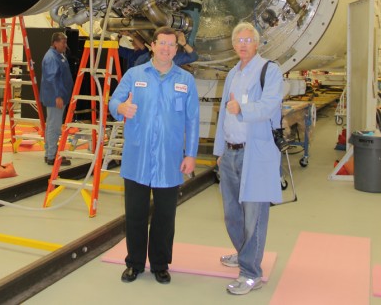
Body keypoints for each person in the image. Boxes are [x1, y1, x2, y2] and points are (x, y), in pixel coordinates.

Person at [109, 26, 199, 285]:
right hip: (137, 157)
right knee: (135, 214)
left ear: (176, 49)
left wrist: (190, 154)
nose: (166, 49)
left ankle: (160, 264)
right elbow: (114, 102)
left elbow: (193, 120)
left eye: (171, 45)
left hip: (169, 160)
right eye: (162, 44)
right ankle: (134, 264)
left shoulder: (185, 81)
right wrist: (122, 107)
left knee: (164, 217)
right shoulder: (135, 74)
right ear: (152, 45)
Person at [213, 22, 283, 296]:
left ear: (257, 43)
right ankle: (244, 253)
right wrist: (220, 151)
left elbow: (269, 106)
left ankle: (251, 272)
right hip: (230, 153)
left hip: (255, 153)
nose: (242, 44)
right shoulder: (232, 73)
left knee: (253, 215)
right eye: (238, 40)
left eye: (247, 39)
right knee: (232, 212)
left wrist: (241, 109)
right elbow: (222, 114)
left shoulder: (270, 70)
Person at [40, 32, 74, 166]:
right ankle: (52, 156)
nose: (65, 45)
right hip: (56, 97)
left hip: (56, 96)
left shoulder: (57, 55)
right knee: (54, 126)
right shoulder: (52, 58)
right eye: (63, 42)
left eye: (65, 42)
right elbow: (52, 78)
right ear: (55, 43)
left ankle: (49, 153)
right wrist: (58, 96)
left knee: (51, 125)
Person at [134, 31, 199, 67]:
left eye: (170, 44)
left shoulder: (174, 59)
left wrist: (184, 44)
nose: (165, 47)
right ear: (153, 45)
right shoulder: (142, 59)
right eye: (162, 43)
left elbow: (193, 57)